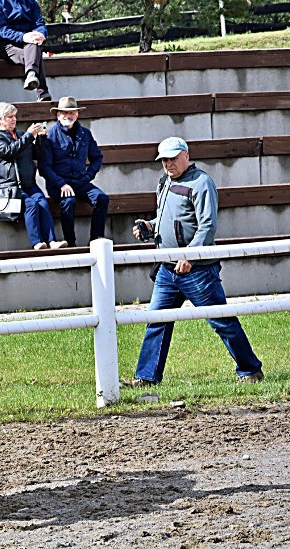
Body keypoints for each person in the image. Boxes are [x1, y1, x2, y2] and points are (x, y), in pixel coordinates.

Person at [129, 137, 264, 387]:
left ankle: (250, 370)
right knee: (156, 321)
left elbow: (207, 226)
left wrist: (189, 256)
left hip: (197, 271)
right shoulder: (165, 182)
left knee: (221, 320)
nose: (168, 163)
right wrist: (150, 226)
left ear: (186, 156)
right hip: (167, 269)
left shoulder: (202, 183)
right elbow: (165, 218)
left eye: (172, 158)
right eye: (164, 160)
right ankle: (146, 378)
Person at [0, 102, 65, 251]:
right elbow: (9, 151)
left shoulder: (20, 134)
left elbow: (35, 154)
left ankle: (52, 241)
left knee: (43, 203)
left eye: (15, 116)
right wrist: (29, 135)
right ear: (0, 119)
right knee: (30, 204)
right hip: (11, 186)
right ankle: (37, 242)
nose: (14, 119)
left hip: (29, 183)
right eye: (10, 117)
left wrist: (41, 139)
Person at [37, 96, 108, 247]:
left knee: (102, 198)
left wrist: (89, 175)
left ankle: (96, 240)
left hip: (81, 181)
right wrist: (61, 184)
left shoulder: (85, 134)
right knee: (69, 201)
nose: (67, 116)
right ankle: (71, 242)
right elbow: (44, 167)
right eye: (64, 113)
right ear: (58, 115)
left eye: (71, 113)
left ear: (77, 114)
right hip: (58, 184)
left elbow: (97, 158)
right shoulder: (50, 135)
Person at [0, 0, 52, 102]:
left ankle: (31, 74)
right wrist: (22, 37)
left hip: (28, 44)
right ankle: (42, 91)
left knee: (34, 43)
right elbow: (1, 29)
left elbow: (39, 23)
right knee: (35, 54)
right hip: (5, 44)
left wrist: (41, 34)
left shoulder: (31, 3)